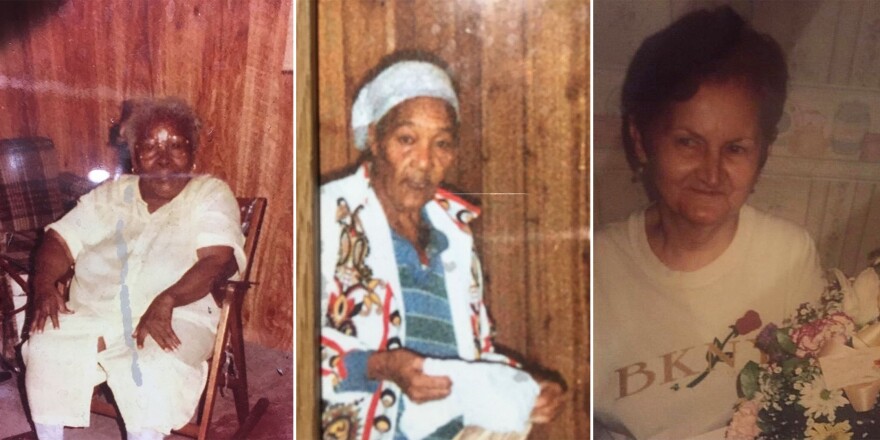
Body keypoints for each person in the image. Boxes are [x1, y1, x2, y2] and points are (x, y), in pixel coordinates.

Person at [593, 7, 826, 439]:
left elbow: (815, 402)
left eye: (735, 149)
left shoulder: (789, 255)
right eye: (688, 143)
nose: (712, 174)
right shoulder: (592, 267)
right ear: (641, 141)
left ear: (762, 155)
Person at [319, 55, 564, 439]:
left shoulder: (454, 236)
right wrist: (381, 366)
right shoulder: (328, 214)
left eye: (442, 144)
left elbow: (473, 353)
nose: (424, 161)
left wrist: (528, 385)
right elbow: (301, 353)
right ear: (375, 139)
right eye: (406, 139)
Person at [22, 97, 246, 440]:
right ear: (136, 157)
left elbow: (217, 260)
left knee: (150, 369)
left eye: (176, 146)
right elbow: (59, 240)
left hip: (177, 314)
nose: (164, 159)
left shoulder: (210, 194)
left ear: (193, 155)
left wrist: (168, 299)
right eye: (150, 147)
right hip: (95, 310)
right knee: (46, 345)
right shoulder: (112, 194)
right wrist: (43, 287)